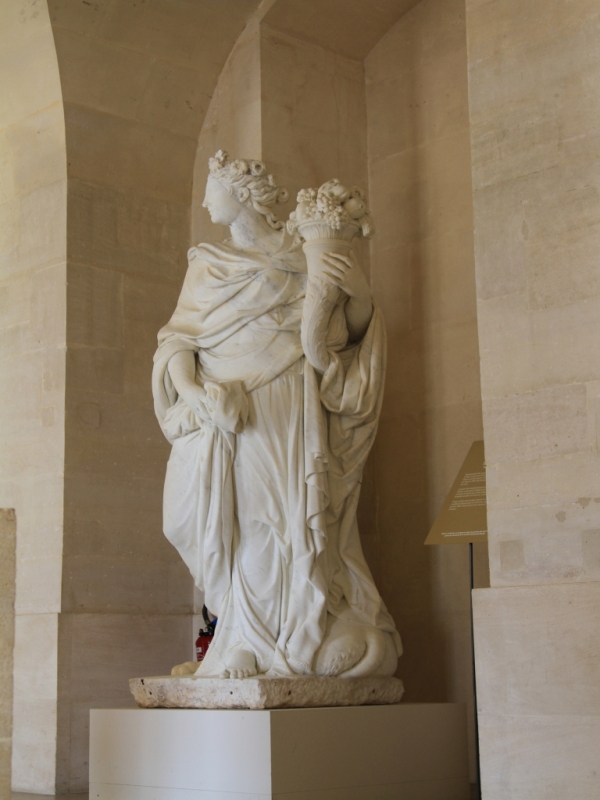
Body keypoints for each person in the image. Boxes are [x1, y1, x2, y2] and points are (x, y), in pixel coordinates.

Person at [152, 152, 401, 679]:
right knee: (195, 520)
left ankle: (258, 643)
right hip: (223, 412)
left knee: (271, 520)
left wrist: (358, 292)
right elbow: (177, 339)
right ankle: (239, 632)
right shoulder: (208, 264)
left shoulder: (302, 252)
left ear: (241, 195)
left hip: (284, 402)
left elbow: (345, 335)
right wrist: (192, 391)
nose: (206, 203)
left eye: (214, 191)